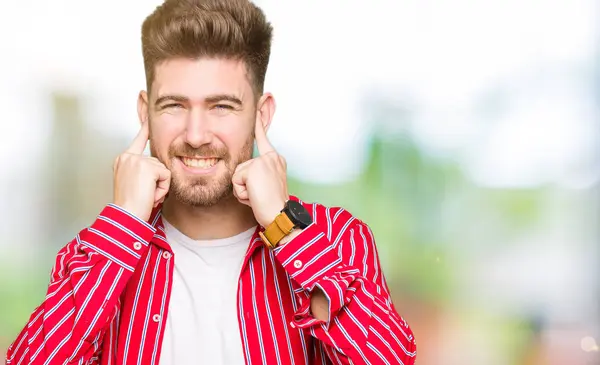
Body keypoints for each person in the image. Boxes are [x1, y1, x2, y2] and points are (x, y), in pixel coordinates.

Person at [5, 0, 417, 364]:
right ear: (145, 114)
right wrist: (124, 223)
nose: (197, 134)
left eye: (221, 106)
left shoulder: (339, 240)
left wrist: (284, 227)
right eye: (174, 106)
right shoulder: (92, 256)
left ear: (262, 114)